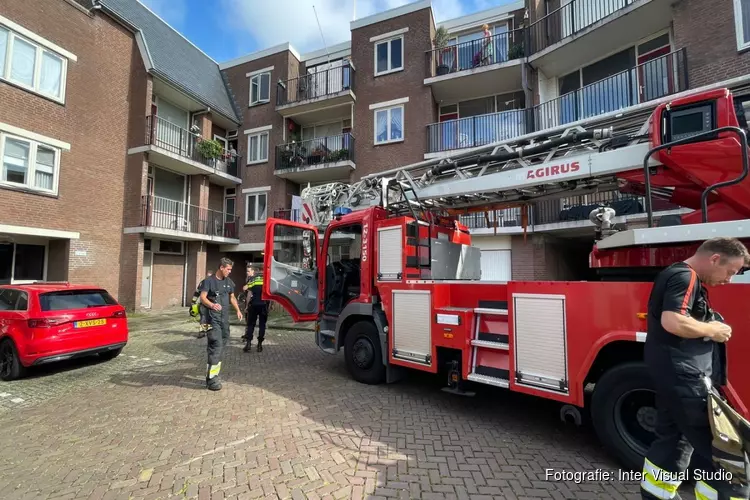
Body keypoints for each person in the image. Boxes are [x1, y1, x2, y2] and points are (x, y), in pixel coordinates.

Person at [640, 237, 750, 500]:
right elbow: (673, 321)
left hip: (674, 378)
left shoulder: (679, 275)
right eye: (730, 272)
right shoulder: (685, 276)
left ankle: (657, 495)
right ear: (714, 259)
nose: (729, 280)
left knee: (673, 442)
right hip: (686, 379)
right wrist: (713, 330)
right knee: (726, 453)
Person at [199, 258, 243, 391]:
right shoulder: (209, 281)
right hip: (212, 319)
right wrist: (212, 305)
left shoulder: (229, 282)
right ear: (221, 268)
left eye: (230, 269)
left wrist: (238, 310)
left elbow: (232, 297)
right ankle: (212, 379)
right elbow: (203, 297)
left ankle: (212, 375)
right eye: (228, 269)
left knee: (220, 346)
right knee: (216, 346)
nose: (230, 272)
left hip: (224, 320)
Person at [243, 265, 269, 353]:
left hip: (253, 305)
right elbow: (270, 294)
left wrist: (246, 306)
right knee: (262, 325)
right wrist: (270, 305)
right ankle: (259, 345)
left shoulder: (252, 280)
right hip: (263, 305)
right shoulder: (266, 280)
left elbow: (248, 293)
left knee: (250, 324)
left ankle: (248, 343)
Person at [193, 271, 213, 339]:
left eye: (210, 276)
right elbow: (197, 292)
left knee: (210, 318)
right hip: (203, 304)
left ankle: (208, 331)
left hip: (211, 304)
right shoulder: (202, 282)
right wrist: (193, 301)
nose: (208, 278)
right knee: (204, 317)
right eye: (207, 276)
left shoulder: (214, 283)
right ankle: (202, 332)